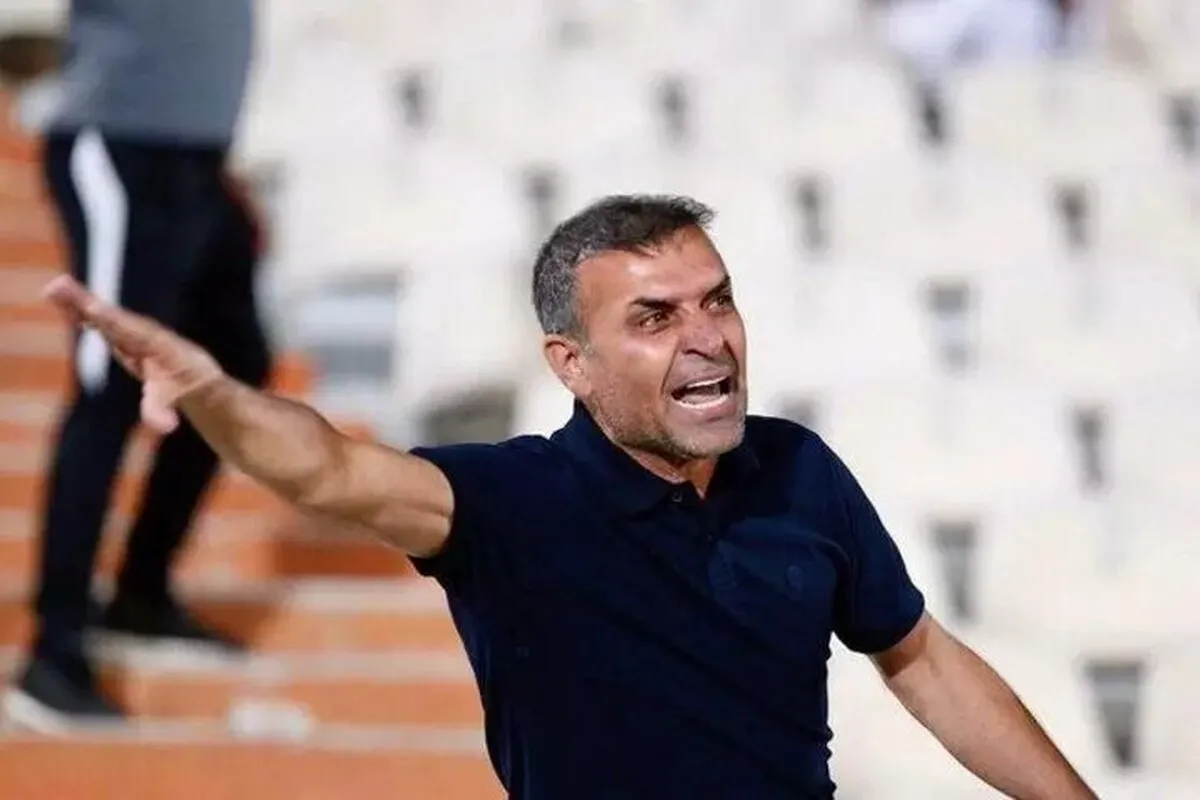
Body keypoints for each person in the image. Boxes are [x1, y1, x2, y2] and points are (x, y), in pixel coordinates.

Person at [36, 195, 1098, 798]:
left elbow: (922, 660)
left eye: (717, 301)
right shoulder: (511, 499)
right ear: (571, 363)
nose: (707, 338)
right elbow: (325, 467)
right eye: (654, 318)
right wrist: (216, 393)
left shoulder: (799, 469)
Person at [4, 0, 270, 728]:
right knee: (110, 384)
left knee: (234, 361)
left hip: (200, 156)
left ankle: (141, 594)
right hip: (121, 141)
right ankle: (53, 655)